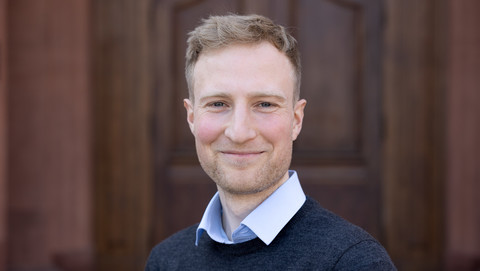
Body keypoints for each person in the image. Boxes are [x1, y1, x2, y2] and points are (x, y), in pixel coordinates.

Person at [145, 14, 396, 270]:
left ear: (296, 120)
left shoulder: (354, 262)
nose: (239, 133)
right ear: (192, 117)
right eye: (218, 104)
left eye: (265, 104)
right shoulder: (165, 261)